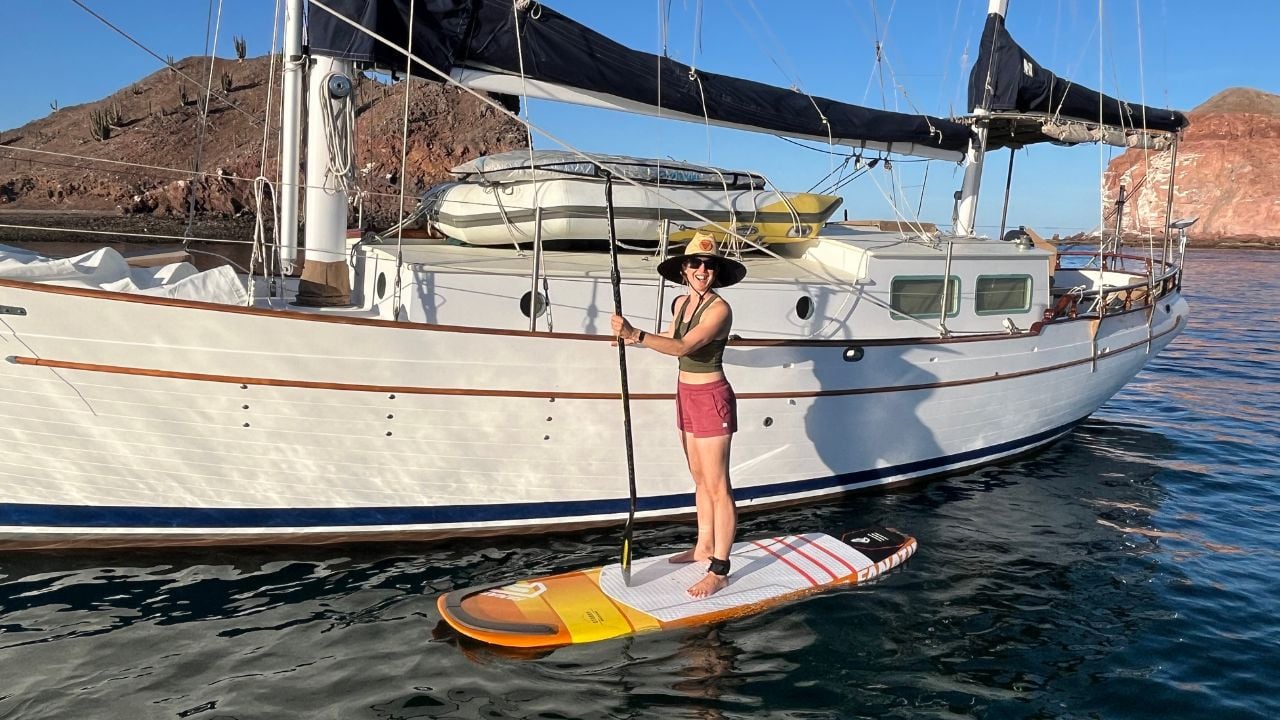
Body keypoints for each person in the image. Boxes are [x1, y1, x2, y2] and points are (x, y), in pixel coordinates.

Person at [611, 231, 747, 598]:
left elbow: (684, 346)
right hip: (685, 393)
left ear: (716, 272)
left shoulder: (719, 310)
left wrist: (636, 334)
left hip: (711, 395)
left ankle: (720, 568)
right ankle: (704, 546)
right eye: (695, 263)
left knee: (719, 485)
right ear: (684, 269)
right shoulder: (680, 304)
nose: (702, 269)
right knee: (700, 477)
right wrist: (628, 338)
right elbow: (670, 337)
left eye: (709, 265)